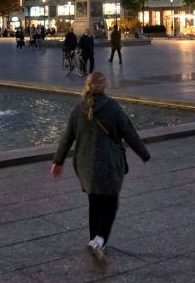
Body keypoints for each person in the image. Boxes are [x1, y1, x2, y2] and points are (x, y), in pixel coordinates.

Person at [52, 73, 150, 262]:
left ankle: (94, 240)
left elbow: (67, 137)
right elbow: (129, 132)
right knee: (111, 202)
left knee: (94, 203)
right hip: (109, 164)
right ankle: (100, 239)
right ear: (104, 87)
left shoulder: (78, 108)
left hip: (86, 165)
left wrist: (58, 161)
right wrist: (143, 153)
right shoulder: (112, 107)